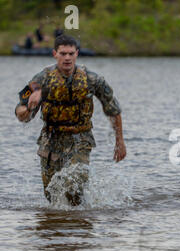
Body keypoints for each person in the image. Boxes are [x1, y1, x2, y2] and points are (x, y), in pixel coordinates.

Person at [15, 34, 126, 206]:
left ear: (77, 54)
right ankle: (60, 227)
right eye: (63, 53)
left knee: (74, 185)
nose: (67, 58)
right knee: (51, 195)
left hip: (80, 138)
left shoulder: (92, 79)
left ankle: (78, 226)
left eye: (71, 53)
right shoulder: (40, 80)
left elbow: (113, 109)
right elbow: (20, 113)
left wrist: (120, 141)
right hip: (51, 139)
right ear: (55, 54)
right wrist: (30, 106)